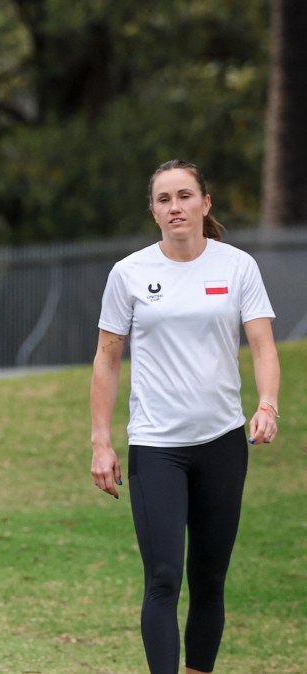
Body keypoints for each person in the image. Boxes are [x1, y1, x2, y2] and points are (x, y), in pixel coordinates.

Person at [90, 159, 279, 674]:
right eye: (164, 199)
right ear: (153, 211)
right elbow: (107, 357)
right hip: (155, 447)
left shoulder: (237, 267)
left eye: (185, 196)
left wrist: (267, 403)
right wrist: (100, 442)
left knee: (210, 578)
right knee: (164, 577)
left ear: (205, 203)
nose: (176, 207)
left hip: (223, 442)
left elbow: (262, 344)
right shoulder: (128, 273)